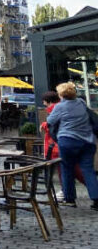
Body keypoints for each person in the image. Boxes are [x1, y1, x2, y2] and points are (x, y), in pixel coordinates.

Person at [44, 82, 98, 210]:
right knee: (88, 170)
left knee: (67, 169)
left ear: (61, 94)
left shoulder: (60, 107)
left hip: (68, 141)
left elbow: (50, 121)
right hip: (88, 141)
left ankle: (70, 199)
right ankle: (96, 199)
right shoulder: (81, 103)